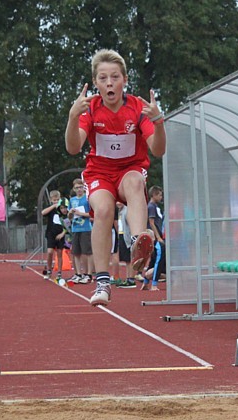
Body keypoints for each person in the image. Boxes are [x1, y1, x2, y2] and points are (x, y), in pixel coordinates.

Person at [65, 49, 166, 305]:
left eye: (114, 77)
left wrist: (159, 122)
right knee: (103, 210)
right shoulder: (91, 110)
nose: (109, 83)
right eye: (103, 78)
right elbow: (73, 148)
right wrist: (72, 116)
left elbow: (158, 150)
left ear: (125, 80)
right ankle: (102, 282)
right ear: (96, 83)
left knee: (135, 182)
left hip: (129, 169)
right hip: (100, 172)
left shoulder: (137, 109)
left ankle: (138, 240)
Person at [67, 179, 93, 284]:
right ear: (74, 189)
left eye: (81, 187)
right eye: (77, 188)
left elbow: (92, 214)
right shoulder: (72, 200)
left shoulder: (87, 199)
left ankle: (88, 274)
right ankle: (78, 273)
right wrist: (71, 213)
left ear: (84, 188)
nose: (79, 190)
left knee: (87, 252)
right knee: (76, 252)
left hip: (86, 228)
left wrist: (80, 213)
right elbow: (69, 217)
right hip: (75, 228)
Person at [142, 186, 166, 291]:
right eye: (160, 195)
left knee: (153, 260)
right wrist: (158, 237)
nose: (161, 197)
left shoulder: (156, 206)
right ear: (154, 195)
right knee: (159, 260)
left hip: (158, 237)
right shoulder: (151, 206)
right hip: (156, 238)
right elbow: (151, 223)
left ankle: (146, 282)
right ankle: (154, 284)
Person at [42, 192, 69, 280]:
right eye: (54, 200)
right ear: (51, 200)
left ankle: (59, 273)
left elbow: (67, 223)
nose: (56, 202)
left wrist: (62, 234)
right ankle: (49, 271)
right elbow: (43, 213)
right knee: (50, 252)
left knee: (59, 253)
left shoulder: (63, 209)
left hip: (60, 233)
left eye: (57, 200)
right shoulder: (51, 209)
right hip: (51, 233)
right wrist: (53, 206)